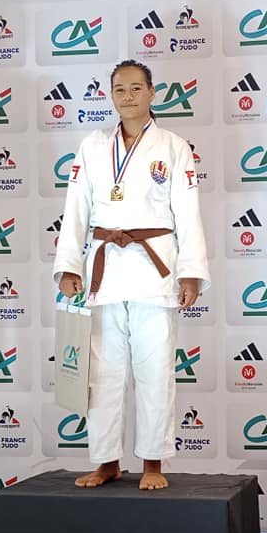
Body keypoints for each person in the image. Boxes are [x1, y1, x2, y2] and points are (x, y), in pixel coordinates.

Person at [53, 59, 209, 491]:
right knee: (102, 373)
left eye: (136, 88)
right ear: (111, 95)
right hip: (104, 271)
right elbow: (75, 208)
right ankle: (106, 461)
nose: (128, 96)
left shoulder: (173, 147)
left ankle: (153, 462)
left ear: (152, 93)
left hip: (154, 271)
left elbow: (188, 213)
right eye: (120, 89)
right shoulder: (92, 145)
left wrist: (191, 272)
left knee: (155, 371)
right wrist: (68, 265)